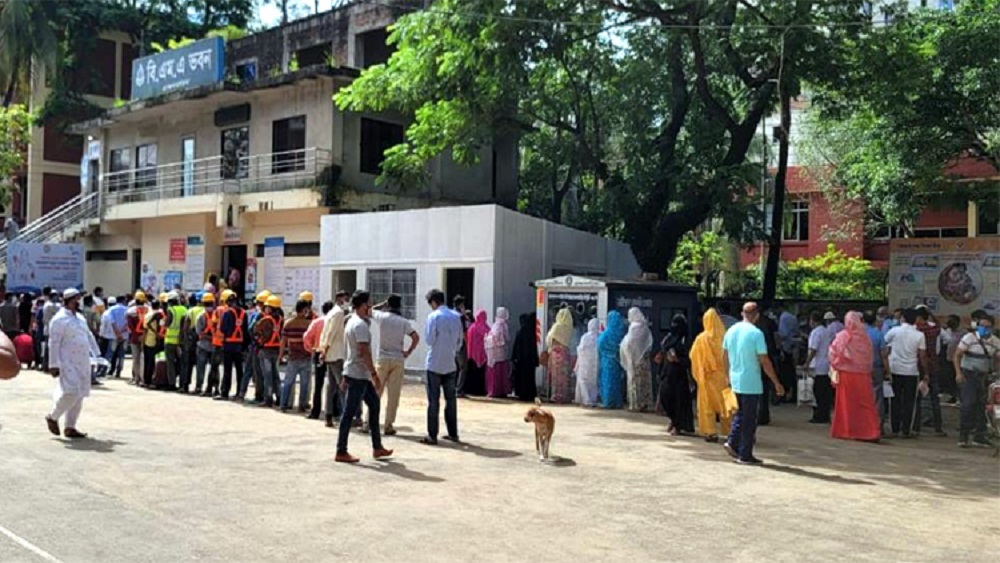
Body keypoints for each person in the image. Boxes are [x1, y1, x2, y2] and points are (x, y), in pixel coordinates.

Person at [722, 302, 785, 465]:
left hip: (735, 379)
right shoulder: (756, 333)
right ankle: (745, 453)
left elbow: (724, 355)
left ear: (742, 313)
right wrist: (776, 382)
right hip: (751, 381)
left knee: (741, 413)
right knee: (749, 419)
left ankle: (733, 441)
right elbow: (764, 360)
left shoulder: (731, 330)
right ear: (756, 315)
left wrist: (726, 374)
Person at [335, 291, 393, 463]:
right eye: (369, 304)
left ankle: (377, 447)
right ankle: (341, 450)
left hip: (357, 373)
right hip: (358, 374)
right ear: (362, 305)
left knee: (374, 406)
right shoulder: (359, 325)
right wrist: (374, 374)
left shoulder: (352, 321)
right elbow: (363, 352)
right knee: (349, 413)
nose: (370, 307)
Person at [44, 288, 101, 439]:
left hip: (82, 361)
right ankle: (53, 417)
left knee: (80, 393)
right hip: (67, 361)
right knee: (71, 391)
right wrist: (53, 364)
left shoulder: (80, 318)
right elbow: (54, 343)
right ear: (70, 300)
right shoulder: (59, 319)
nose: (79, 301)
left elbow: (88, 336)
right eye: (77, 298)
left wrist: (97, 354)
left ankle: (70, 427)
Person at [368, 295, 419, 435]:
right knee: (393, 396)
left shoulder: (381, 317)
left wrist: (382, 304)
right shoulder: (403, 322)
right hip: (398, 359)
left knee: (376, 393)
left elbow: (369, 310)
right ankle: (388, 425)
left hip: (383, 359)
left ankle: (369, 423)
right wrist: (408, 352)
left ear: (388, 305)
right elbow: (415, 337)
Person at [829, 311, 881, 442]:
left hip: (846, 374)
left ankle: (846, 430)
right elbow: (870, 358)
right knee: (866, 403)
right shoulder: (865, 338)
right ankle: (871, 430)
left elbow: (833, 353)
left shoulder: (843, 336)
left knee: (846, 403)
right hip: (863, 375)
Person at [421, 289, 464, 445]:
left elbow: (429, 340)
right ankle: (453, 433)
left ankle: (432, 435)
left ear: (433, 302)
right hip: (450, 363)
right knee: (450, 400)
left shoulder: (433, 316)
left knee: (433, 401)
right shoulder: (456, 316)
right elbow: (460, 341)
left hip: (434, 363)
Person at [953, 313, 999, 448]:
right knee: (968, 404)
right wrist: (958, 373)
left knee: (982, 406)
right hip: (968, 375)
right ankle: (964, 436)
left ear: (992, 328)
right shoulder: (969, 338)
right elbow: (957, 356)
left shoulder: (995, 341)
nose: (984, 329)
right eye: (982, 326)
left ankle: (980, 436)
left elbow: (997, 358)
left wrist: (996, 373)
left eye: (987, 327)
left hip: (984, 377)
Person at [884, 308, 928, 439]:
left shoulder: (894, 331)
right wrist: (925, 372)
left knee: (895, 400)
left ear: (902, 318)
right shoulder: (919, 335)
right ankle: (906, 430)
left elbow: (885, 344)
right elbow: (923, 356)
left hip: (895, 369)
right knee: (909, 402)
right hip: (911, 371)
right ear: (915, 320)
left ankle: (894, 428)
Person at [690, 309, 731, 442]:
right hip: (723, 376)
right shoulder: (725, 337)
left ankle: (710, 432)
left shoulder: (701, 339)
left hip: (706, 377)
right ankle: (730, 431)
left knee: (707, 405)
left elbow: (693, 356)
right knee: (726, 405)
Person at [656, 314, 693, 434]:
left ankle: (678, 425)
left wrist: (678, 360)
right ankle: (672, 419)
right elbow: (663, 351)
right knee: (665, 397)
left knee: (679, 402)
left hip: (679, 375)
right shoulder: (668, 338)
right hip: (667, 373)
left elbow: (689, 360)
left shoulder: (686, 340)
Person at [318, 291, 350, 426]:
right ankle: (346, 416)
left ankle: (329, 416)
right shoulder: (338, 313)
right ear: (340, 299)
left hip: (330, 353)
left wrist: (323, 349)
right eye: (345, 298)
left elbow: (326, 333)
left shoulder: (331, 313)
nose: (347, 301)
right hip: (336, 354)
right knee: (342, 386)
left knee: (331, 387)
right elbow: (331, 333)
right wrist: (325, 349)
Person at [914, 306, 946, 437]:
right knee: (935, 398)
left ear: (919, 318)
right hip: (933, 366)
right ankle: (938, 428)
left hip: (920, 367)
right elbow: (938, 324)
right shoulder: (933, 329)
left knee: (917, 398)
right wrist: (930, 312)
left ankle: (916, 427)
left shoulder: (918, 330)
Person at [280, 300, 314, 412]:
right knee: (304, 384)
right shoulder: (309, 324)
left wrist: (280, 356)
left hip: (292, 358)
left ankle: (283, 404)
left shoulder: (288, 323)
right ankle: (302, 405)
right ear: (304, 310)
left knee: (288, 382)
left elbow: (283, 341)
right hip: (306, 357)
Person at [620, 308, 654, 412]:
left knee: (635, 382)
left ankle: (635, 404)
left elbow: (629, 342)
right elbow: (649, 343)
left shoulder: (634, 327)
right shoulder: (645, 327)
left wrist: (622, 344)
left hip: (634, 361)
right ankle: (645, 403)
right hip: (644, 360)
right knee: (644, 382)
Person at [304, 301, 334, 420]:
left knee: (318, 383)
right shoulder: (335, 322)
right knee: (333, 383)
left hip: (318, 352)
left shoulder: (317, 322)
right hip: (333, 353)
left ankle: (315, 411)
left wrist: (311, 349)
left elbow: (306, 337)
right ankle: (333, 410)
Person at [253, 296, 284, 408]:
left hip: (265, 350)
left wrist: (258, 341)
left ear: (270, 308)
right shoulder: (281, 319)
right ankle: (280, 397)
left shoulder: (265, 320)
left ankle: (268, 398)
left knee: (267, 376)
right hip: (276, 350)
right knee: (276, 375)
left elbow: (256, 331)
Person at [805, 310, 834, 424]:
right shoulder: (826, 331)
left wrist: (807, 362)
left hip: (817, 365)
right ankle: (825, 414)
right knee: (825, 392)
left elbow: (813, 349)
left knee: (817, 392)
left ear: (812, 320)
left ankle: (819, 415)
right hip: (826, 364)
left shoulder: (815, 332)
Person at [863, 310, 889, 434]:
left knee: (862, 396)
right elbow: (884, 355)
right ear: (875, 321)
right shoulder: (878, 334)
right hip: (876, 368)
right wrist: (887, 371)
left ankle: (863, 424)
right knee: (877, 397)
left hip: (861, 369)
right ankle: (878, 426)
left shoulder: (859, 334)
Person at [218, 290, 246, 401]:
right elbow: (245, 330)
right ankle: (240, 392)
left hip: (229, 344)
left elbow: (223, 328)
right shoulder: (244, 314)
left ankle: (225, 392)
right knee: (239, 370)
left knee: (227, 370)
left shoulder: (227, 313)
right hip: (239, 346)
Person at [545, 308, 575, 404]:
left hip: (556, 353)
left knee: (556, 376)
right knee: (564, 376)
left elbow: (549, 339)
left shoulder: (557, 326)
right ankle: (565, 396)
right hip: (565, 353)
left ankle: (556, 396)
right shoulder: (569, 328)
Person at [598, 311, 627, 409]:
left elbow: (599, 344)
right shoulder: (621, 333)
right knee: (616, 381)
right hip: (617, 361)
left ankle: (608, 402)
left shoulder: (607, 333)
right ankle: (617, 402)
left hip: (607, 361)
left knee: (607, 381)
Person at [484, 307, 512, 398]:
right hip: (500, 352)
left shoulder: (496, 324)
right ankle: (501, 390)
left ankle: (495, 390)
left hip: (494, 353)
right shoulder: (502, 325)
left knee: (495, 372)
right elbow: (505, 338)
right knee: (501, 372)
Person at [162, 292, 188, 392]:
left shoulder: (171, 310)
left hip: (170, 341)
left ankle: (171, 384)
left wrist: (163, 323)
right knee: (181, 364)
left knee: (170, 364)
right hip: (181, 341)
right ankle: (182, 384)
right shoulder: (185, 309)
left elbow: (168, 323)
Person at [511, 313, 539, 402]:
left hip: (522, 360)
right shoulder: (532, 332)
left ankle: (523, 393)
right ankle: (530, 393)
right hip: (530, 360)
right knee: (530, 377)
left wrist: (515, 357)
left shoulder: (520, 332)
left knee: (523, 378)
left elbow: (517, 346)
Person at [463, 309, 490, 397]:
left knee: (472, 372)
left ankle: (470, 389)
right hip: (483, 353)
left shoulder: (472, 327)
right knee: (481, 373)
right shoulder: (485, 327)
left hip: (472, 354)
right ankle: (480, 390)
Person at [574, 319, 600, 407]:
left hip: (585, 363)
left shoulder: (585, 337)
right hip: (595, 364)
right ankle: (592, 399)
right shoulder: (599, 336)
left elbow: (580, 349)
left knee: (583, 381)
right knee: (593, 382)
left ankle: (586, 400)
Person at [100, 297, 127, 379]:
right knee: (121, 355)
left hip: (113, 335)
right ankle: (119, 371)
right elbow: (128, 322)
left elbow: (112, 322)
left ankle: (104, 371)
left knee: (109, 354)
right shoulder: (127, 309)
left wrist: (117, 333)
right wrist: (122, 332)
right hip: (125, 336)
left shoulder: (110, 310)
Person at [776, 305, 799, 403]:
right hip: (792, 347)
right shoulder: (792, 317)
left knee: (783, 373)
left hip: (785, 348)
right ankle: (794, 394)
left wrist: (779, 346)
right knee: (792, 372)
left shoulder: (783, 318)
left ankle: (783, 395)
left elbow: (783, 334)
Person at [142, 299, 166, 388]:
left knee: (147, 361)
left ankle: (146, 380)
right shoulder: (162, 315)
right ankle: (153, 380)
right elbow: (162, 326)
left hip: (148, 340)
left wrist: (142, 342)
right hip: (157, 341)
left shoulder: (147, 315)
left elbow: (145, 330)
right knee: (154, 362)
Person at [126, 291, 149, 385]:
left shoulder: (130, 311)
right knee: (144, 358)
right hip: (147, 337)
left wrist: (137, 335)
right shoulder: (149, 309)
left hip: (135, 338)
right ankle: (144, 378)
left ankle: (136, 378)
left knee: (136, 358)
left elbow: (130, 327)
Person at [454, 295, 473, 397]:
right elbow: (464, 332)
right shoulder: (460, 317)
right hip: (461, 345)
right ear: (461, 305)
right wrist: (468, 344)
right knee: (463, 368)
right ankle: (459, 389)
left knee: (454, 367)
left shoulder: (451, 314)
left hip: (451, 344)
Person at [942, 315, 963, 403]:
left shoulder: (963, 333)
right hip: (949, 358)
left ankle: (960, 397)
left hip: (959, 360)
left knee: (959, 379)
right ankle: (953, 395)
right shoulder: (947, 331)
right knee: (950, 379)